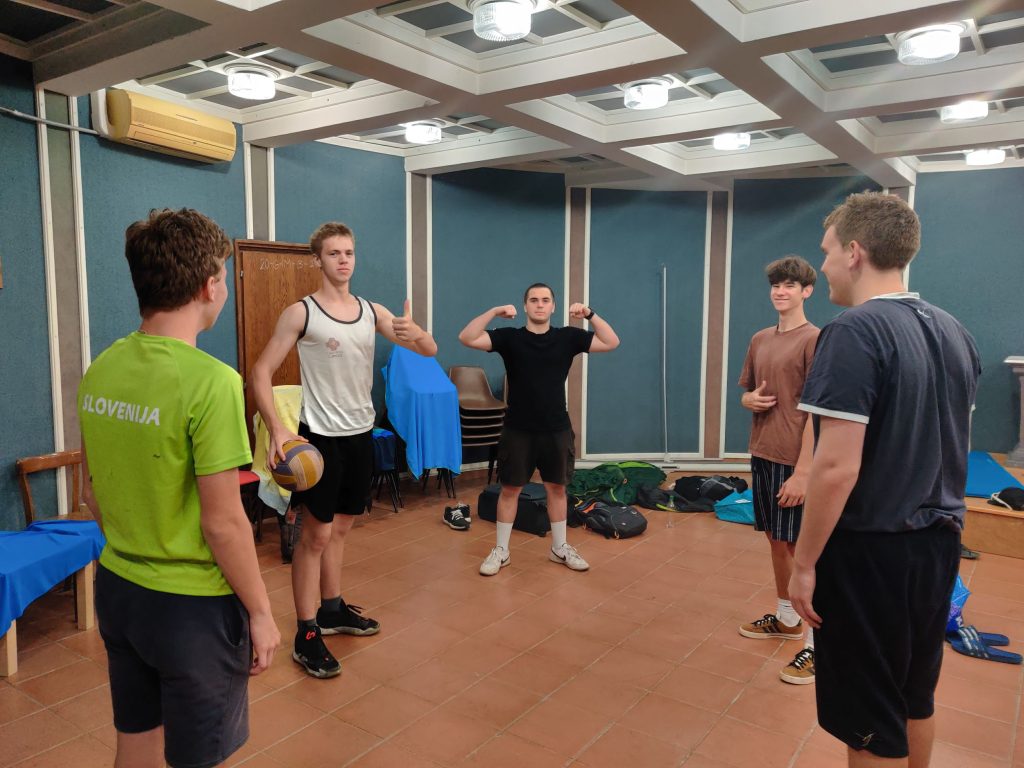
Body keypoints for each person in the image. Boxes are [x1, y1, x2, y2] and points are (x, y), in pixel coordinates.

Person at [79, 208, 280, 768]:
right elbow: (224, 523)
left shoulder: (101, 368)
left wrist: (138, 544)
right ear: (209, 285)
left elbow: (91, 491)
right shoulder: (213, 382)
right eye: (224, 277)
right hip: (192, 610)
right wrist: (261, 612)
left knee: (135, 742)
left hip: (119, 589)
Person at [788, 192, 981, 766]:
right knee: (913, 697)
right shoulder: (955, 330)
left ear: (854, 252)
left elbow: (836, 466)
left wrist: (804, 564)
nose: (822, 266)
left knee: (869, 720)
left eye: (827, 252)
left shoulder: (853, 331)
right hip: (938, 547)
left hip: (872, 553)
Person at [251, 222, 437, 679]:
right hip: (320, 438)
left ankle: (332, 608)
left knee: (342, 530)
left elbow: (429, 350)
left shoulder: (372, 311)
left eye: (349, 252)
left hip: (360, 434)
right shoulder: (302, 313)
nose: (343, 260)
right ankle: (306, 633)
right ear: (318, 259)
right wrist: (277, 428)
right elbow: (260, 372)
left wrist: (415, 331)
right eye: (334, 253)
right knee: (314, 536)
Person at [458, 284, 619, 576]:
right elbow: (467, 337)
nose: (540, 305)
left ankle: (559, 548)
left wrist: (589, 314)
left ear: (553, 307)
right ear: (526, 306)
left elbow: (611, 342)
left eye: (545, 300)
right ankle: (502, 550)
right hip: (517, 429)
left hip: (556, 429)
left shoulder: (567, 337)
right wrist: (494, 311)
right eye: (534, 300)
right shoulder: (510, 338)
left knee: (556, 489)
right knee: (510, 490)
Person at [736, 256, 820, 685]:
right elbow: (749, 393)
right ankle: (787, 619)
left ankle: (816, 646)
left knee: (804, 550)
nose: (781, 291)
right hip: (763, 453)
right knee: (776, 539)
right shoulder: (760, 339)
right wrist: (747, 401)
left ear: (807, 291)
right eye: (776, 285)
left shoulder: (815, 340)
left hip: (795, 459)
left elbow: (819, 412)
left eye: (790, 285)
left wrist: (804, 472)